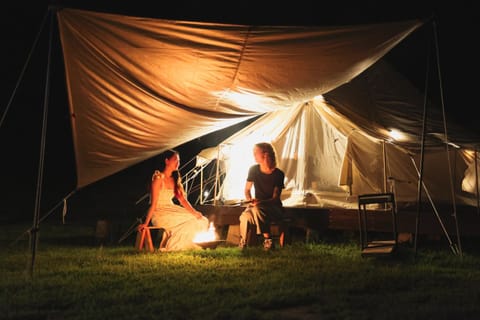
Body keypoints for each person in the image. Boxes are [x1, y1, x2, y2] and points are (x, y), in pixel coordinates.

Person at [138, 149, 209, 251]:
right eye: (175, 160)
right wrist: (146, 223)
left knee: (202, 220)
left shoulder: (175, 179)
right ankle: (173, 246)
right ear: (167, 161)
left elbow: (183, 201)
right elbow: (153, 204)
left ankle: (190, 244)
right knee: (192, 220)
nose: (178, 163)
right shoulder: (158, 178)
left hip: (171, 208)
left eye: (179, 161)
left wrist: (195, 212)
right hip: (160, 213)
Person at [239, 142, 285, 251]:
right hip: (256, 206)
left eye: (256, 153)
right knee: (244, 216)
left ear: (265, 154)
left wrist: (260, 202)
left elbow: (275, 198)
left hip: (273, 208)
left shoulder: (278, 174)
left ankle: (268, 240)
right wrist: (250, 200)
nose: (254, 155)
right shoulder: (253, 170)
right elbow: (247, 189)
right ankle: (243, 242)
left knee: (257, 209)